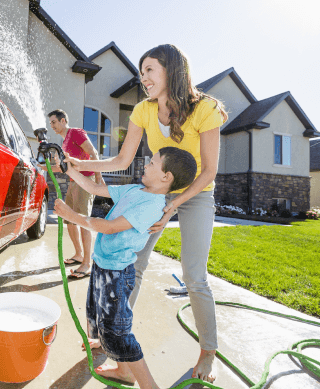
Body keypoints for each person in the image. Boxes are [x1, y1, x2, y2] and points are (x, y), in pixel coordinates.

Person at [64, 44, 228, 383]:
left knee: (194, 273)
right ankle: (117, 336)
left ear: (171, 71)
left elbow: (209, 171)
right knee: (132, 264)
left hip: (196, 193)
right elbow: (122, 161)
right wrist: (83, 164)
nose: (144, 77)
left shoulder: (206, 109)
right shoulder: (143, 110)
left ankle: (208, 351)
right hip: (156, 193)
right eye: (142, 71)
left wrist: (173, 207)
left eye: (150, 70)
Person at [54, 147, 197, 388]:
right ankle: (121, 368)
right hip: (103, 265)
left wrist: (73, 216)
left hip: (117, 275)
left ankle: (146, 383)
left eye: (152, 163)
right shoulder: (134, 189)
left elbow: (110, 227)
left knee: (118, 333)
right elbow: (94, 188)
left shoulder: (152, 206)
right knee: (101, 318)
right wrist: (69, 169)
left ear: (166, 177)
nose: (146, 165)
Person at [41, 109, 103, 279]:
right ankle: (78, 254)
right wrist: (41, 167)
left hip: (86, 181)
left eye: (53, 122)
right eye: (51, 123)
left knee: (83, 221)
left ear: (63, 120)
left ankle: (87, 264)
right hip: (74, 182)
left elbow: (93, 152)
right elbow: (62, 168)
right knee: (69, 219)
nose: (52, 126)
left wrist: (99, 178)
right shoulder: (64, 142)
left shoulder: (76, 133)